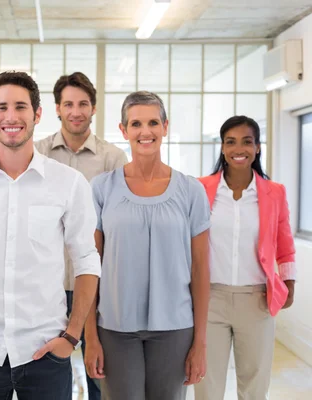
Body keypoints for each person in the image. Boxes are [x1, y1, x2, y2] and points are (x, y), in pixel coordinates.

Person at [0, 71, 101, 400]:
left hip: (46, 349)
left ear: (38, 114)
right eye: (2, 108)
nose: (11, 117)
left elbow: (87, 260)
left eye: (21, 107)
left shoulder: (69, 183)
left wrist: (71, 337)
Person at [84, 91, 210, 400]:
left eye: (153, 122)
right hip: (114, 328)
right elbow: (88, 264)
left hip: (175, 328)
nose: (145, 131)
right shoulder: (101, 189)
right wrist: (91, 336)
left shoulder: (191, 191)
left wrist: (200, 343)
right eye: (136, 123)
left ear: (165, 127)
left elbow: (201, 268)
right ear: (123, 130)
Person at [35, 71, 127, 400]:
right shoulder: (38, 154)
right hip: (48, 285)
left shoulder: (113, 159)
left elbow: (117, 225)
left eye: (83, 104)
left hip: (97, 285)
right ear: (57, 109)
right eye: (69, 104)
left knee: (101, 374)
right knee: (46, 373)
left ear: (94, 109)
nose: (76, 111)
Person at [194, 116, 297, 400]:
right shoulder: (200, 189)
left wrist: (289, 282)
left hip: (257, 300)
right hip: (209, 299)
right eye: (231, 142)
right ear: (223, 148)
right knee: (206, 385)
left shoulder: (274, 193)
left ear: (258, 147)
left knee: (254, 387)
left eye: (247, 141)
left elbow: (285, 243)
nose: (239, 148)